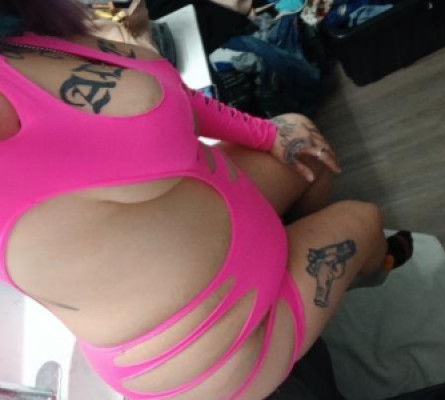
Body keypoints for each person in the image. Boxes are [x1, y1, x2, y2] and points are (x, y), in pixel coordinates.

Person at [0, 1, 413, 399]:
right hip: (207, 343)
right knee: (363, 220)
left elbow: (167, 93)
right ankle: (369, 270)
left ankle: (306, 268)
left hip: (215, 221)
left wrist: (266, 134)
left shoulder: (20, 30)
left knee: (302, 145)